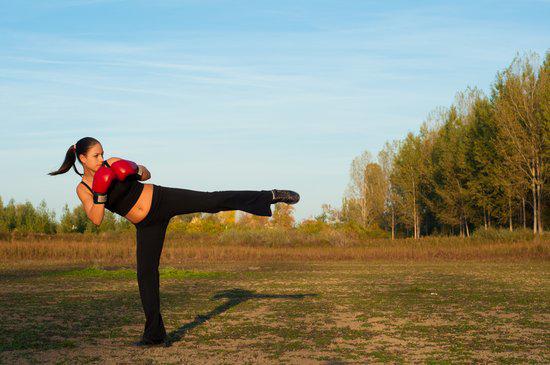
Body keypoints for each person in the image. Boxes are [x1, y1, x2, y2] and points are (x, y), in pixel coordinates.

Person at [48, 137, 300, 347]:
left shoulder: (113, 163)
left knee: (211, 201)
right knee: (146, 275)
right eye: (95, 155)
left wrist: (133, 168)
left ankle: (270, 196)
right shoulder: (83, 188)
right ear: (82, 159)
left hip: (161, 198)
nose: (102, 158)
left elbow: (147, 173)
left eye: (102, 153)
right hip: (146, 225)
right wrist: (101, 193)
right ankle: (155, 335)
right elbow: (96, 219)